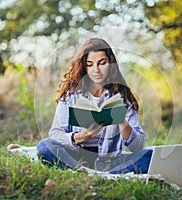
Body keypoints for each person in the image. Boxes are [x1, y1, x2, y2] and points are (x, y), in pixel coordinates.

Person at [37, 38, 152, 174]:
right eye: (90, 64)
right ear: (83, 66)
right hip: (76, 158)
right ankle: (89, 173)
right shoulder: (71, 96)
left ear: (111, 63)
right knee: (45, 146)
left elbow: (138, 146)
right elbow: (55, 134)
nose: (96, 70)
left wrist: (122, 121)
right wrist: (81, 136)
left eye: (102, 63)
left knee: (149, 156)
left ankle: (103, 175)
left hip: (111, 161)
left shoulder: (123, 98)